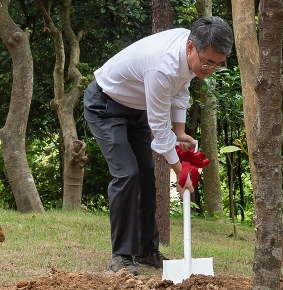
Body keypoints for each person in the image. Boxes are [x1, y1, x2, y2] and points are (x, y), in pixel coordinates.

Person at [84, 17, 233, 275]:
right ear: (190, 47)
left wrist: (180, 132)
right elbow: (159, 129)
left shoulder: (192, 50)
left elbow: (181, 89)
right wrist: (180, 172)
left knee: (145, 175)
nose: (211, 69)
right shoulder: (162, 67)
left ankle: (146, 252)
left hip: (136, 108)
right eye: (208, 62)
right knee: (127, 174)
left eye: (218, 64)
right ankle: (120, 257)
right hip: (106, 106)